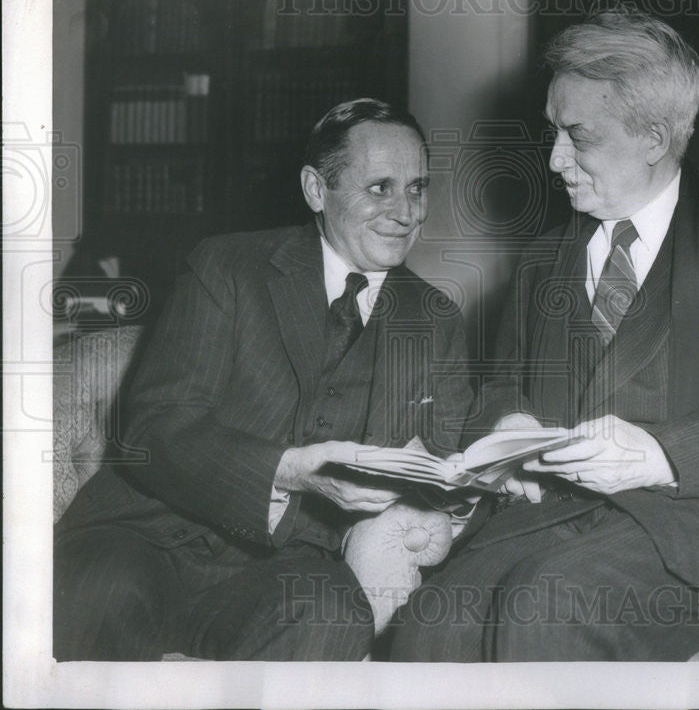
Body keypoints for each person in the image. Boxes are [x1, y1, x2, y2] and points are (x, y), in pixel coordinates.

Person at [390, 8, 699, 662]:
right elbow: (498, 387)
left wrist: (659, 452)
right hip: (558, 521)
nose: (554, 159)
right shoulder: (545, 260)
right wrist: (506, 425)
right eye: (553, 131)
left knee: (546, 603)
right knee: (430, 622)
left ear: (654, 138)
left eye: (578, 136)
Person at [54, 99, 472, 660]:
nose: (406, 211)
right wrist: (293, 472)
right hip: (148, 536)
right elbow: (154, 429)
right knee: (104, 590)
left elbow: (446, 458)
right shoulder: (227, 267)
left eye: (418, 188)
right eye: (380, 188)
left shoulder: (435, 318)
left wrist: (462, 482)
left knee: (333, 611)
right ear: (316, 190)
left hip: (286, 566)